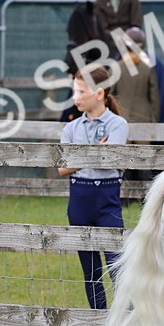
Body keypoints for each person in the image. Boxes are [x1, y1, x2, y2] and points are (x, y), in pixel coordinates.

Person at [60, 65, 129, 308]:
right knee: (90, 269)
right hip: (79, 201)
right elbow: (62, 167)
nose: (75, 98)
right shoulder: (71, 127)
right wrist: (95, 152)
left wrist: (81, 158)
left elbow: (109, 161)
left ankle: (126, 322)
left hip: (106, 199)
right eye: (74, 92)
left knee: (116, 264)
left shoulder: (117, 124)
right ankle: (99, 321)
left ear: (99, 94)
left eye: (81, 92)